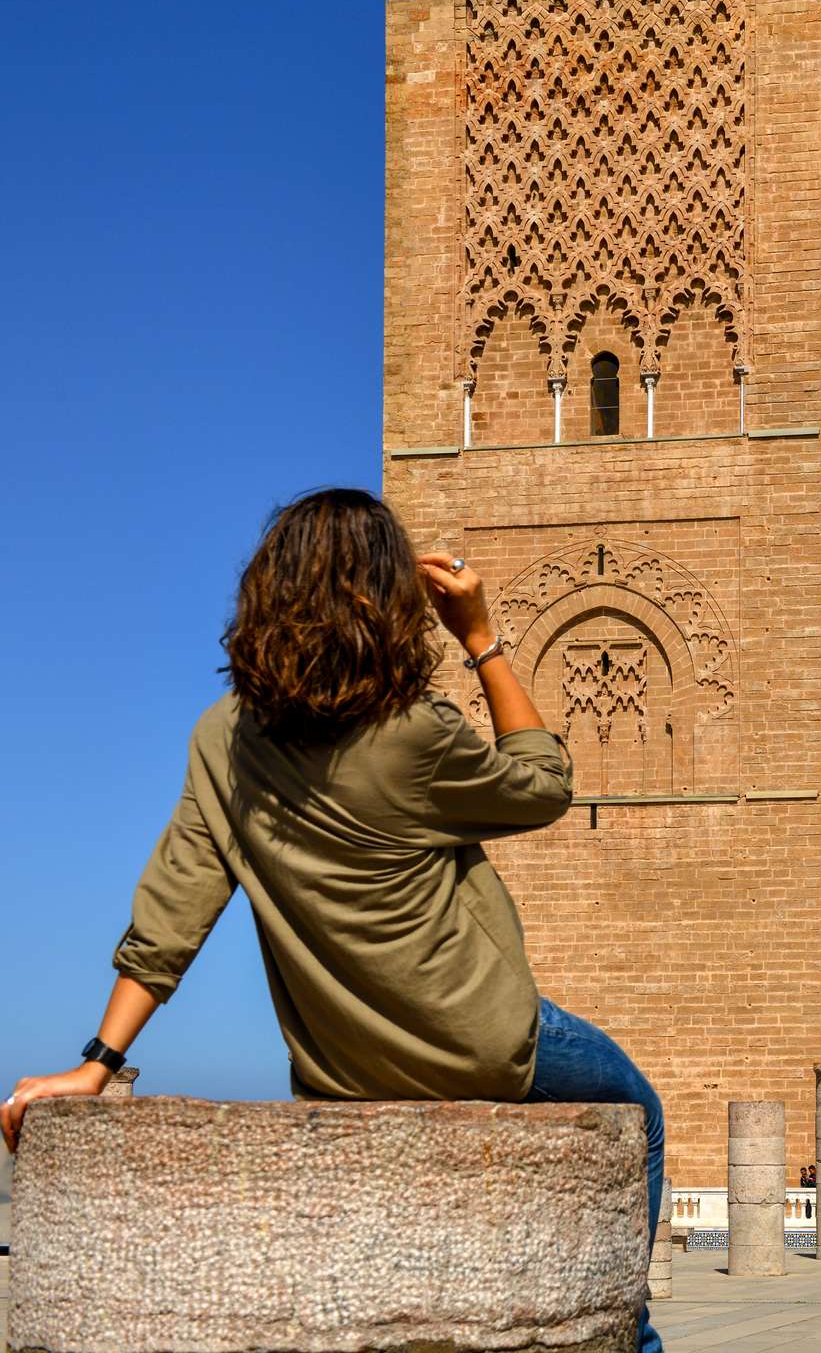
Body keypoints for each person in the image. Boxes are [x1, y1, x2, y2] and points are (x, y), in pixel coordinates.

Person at [1, 489, 666, 1353]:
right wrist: (482, 638)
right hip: (485, 1043)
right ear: (390, 602)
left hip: (337, 1064)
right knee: (641, 1114)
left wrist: (98, 1063)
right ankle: (634, 1337)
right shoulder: (414, 732)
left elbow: (174, 914)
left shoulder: (223, 737)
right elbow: (544, 781)